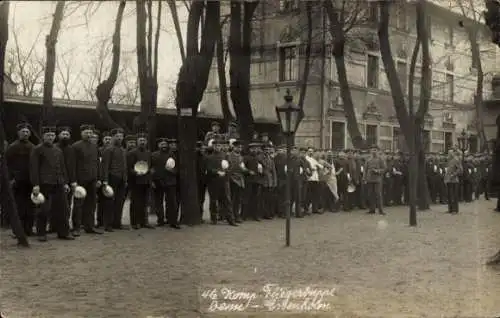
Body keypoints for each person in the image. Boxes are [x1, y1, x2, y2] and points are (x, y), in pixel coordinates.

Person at [30, 126, 75, 242]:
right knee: (43, 209)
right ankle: (41, 233)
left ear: (55, 137)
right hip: (44, 183)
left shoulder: (58, 150)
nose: (50, 137)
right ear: (43, 136)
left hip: (59, 182)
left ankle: (63, 232)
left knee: (63, 209)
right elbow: (34, 168)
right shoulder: (37, 149)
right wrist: (35, 184)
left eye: (52, 135)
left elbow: (62, 168)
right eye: (48, 135)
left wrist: (65, 182)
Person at [72, 124, 102, 235]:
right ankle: (76, 227)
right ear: (81, 133)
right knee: (78, 204)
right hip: (80, 180)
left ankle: (89, 226)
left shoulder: (95, 147)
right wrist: (74, 180)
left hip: (92, 179)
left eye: (90, 133)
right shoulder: (76, 146)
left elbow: (97, 163)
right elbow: (72, 164)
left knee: (91, 203)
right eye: (86, 132)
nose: (88, 134)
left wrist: (98, 178)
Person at [5, 122, 35, 235]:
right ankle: (17, 230)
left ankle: (29, 229)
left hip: (30, 181)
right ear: (18, 133)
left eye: (27, 132)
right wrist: (10, 179)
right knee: (19, 206)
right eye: (23, 132)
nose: (25, 134)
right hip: (17, 181)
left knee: (30, 206)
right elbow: (7, 165)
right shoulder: (12, 147)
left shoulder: (33, 147)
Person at [101, 128, 128, 231]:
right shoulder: (109, 149)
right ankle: (108, 224)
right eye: (117, 136)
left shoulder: (122, 150)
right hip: (112, 178)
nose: (119, 138)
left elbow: (124, 166)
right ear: (112, 137)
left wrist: (125, 179)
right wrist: (105, 181)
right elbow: (105, 166)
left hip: (121, 178)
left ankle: (117, 222)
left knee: (119, 201)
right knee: (109, 202)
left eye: (121, 136)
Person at [127, 133, 154, 229]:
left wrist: (151, 171)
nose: (142, 142)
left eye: (144, 140)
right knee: (136, 202)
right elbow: (129, 168)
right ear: (137, 142)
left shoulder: (148, 153)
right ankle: (135, 222)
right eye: (140, 140)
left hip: (146, 181)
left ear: (146, 142)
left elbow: (151, 166)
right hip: (136, 181)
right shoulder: (132, 153)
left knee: (145, 202)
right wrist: (135, 172)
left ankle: (144, 222)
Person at [365, 145, 386, 215]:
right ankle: (372, 209)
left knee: (378, 194)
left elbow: (384, 168)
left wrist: (377, 171)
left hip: (377, 179)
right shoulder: (368, 159)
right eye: (372, 150)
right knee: (370, 195)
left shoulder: (380, 159)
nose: (373, 151)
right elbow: (365, 169)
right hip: (369, 179)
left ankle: (381, 210)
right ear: (370, 151)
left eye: (375, 150)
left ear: (378, 151)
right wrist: (364, 178)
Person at [444, 149, 462, 214]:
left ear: (452, 154)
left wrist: (453, 174)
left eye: (449, 153)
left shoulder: (456, 160)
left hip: (454, 181)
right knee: (449, 196)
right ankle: (450, 209)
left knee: (454, 196)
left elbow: (460, 169)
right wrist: (445, 179)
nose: (448, 155)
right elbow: (447, 171)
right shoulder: (448, 161)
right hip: (448, 180)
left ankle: (455, 210)